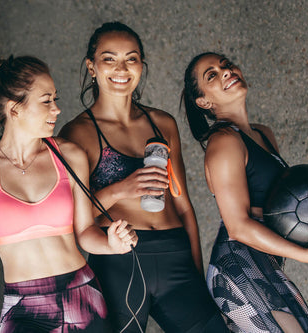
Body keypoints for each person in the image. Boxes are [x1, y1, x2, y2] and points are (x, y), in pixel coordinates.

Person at [0, 54, 138, 332]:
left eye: (55, 99)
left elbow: (85, 231)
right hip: (22, 308)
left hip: (81, 293)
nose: (57, 110)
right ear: (15, 109)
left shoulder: (70, 156)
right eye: (46, 100)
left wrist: (111, 244)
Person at [59, 22, 228, 333]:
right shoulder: (77, 133)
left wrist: (196, 272)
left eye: (131, 58)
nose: (121, 68)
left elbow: (185, 208)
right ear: (91, 67)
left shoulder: (162, 123)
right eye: (109, 59)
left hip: (176, 257)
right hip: (119, 263)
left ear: (141, 65)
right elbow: (73, 220)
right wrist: (123, 189)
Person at [181, 52, 308, 333]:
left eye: (225, 64)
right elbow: (237, 226)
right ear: (204, 102)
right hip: (237, 266)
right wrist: (304, 254)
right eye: (211, 75)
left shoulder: (263, 133)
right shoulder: (223, 142)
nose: (225, 70)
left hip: (265, 262)